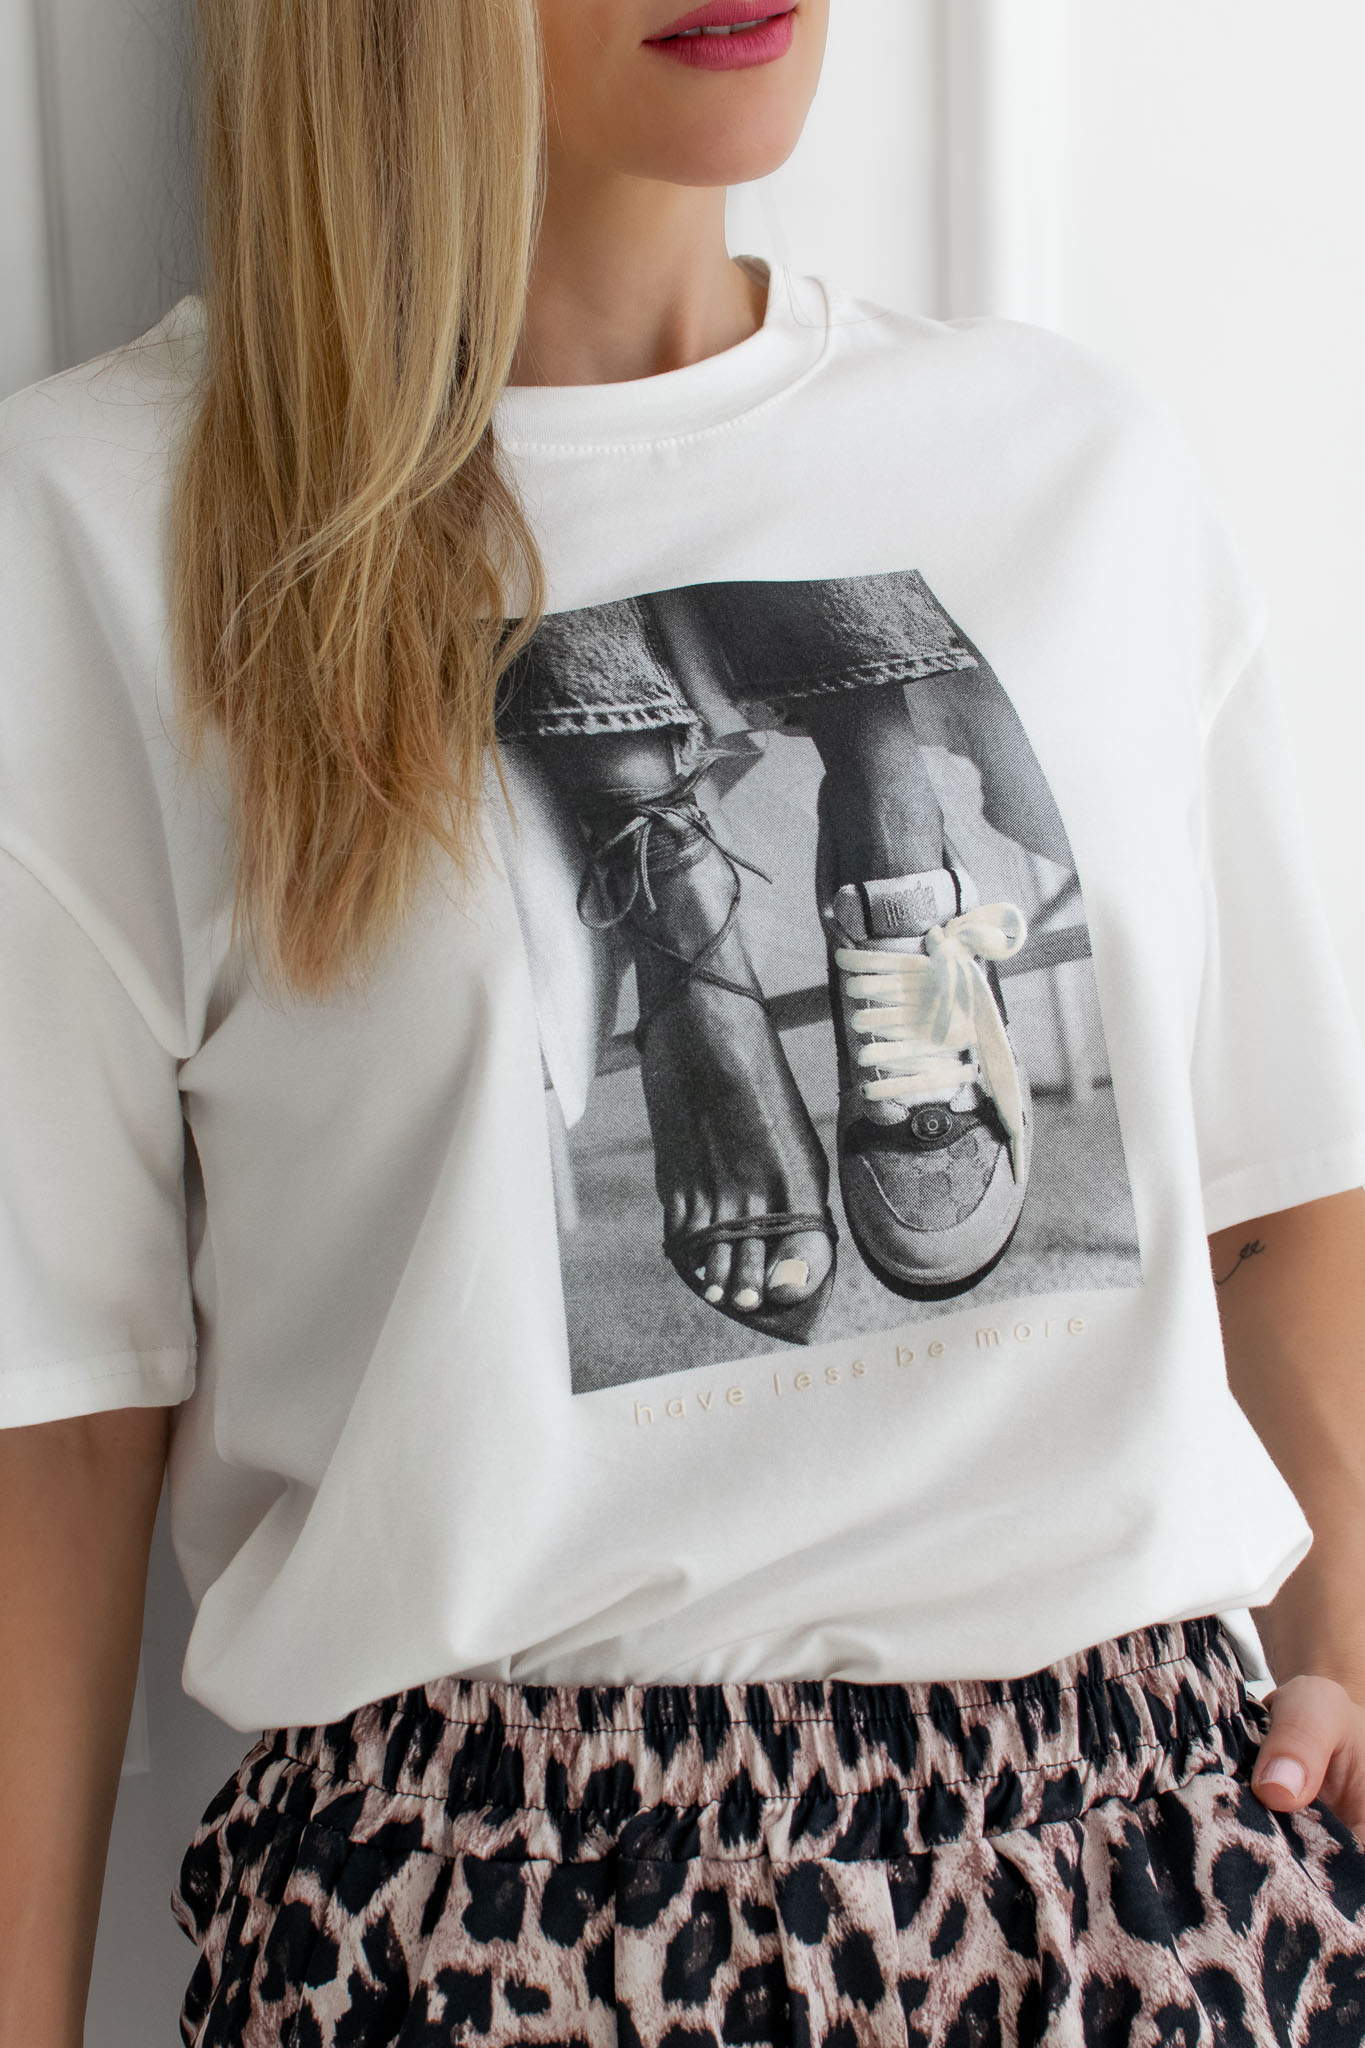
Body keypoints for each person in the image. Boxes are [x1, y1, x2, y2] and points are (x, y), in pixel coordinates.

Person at [3, 1, 1365, 2044]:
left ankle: (873, 779)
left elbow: (1271, 1191)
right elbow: (60, 1418)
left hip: (1143, 1883)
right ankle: (679, 906)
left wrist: (1344, 1627)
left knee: (892, 759)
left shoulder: (1065, 460)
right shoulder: (114, 527)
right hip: (486, 1920)